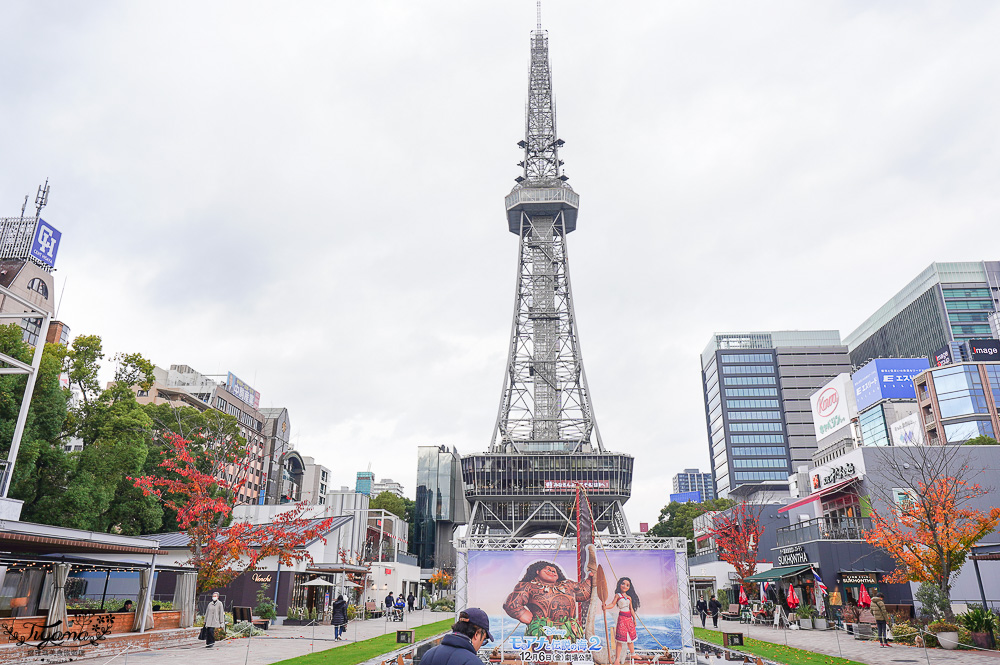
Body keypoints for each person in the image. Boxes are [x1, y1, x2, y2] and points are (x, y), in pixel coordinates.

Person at [503, 559, 595, 640]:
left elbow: (584, 593)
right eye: (548, 570)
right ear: (537, 571)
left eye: (555, 571)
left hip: (570, 630)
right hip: (542, 631)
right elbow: (511, 604)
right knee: (544, 657)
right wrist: (521, 614)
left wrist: (590, 579)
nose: (552, 572)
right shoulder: (528, 586)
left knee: (572, 657)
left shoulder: (568, 585)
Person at [421, 608, 493, 665]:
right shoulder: (473, 662)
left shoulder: (429, 655)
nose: (480, 646)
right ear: (476, 634)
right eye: (483, 640)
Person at [603, 577, 640, 665]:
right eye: (623, 584)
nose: (625, 586)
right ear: (620, 584)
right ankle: (617, 659)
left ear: (629, 587)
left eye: (627, 585)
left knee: (630, 638)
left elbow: (631, 609)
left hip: (629, 619)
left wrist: (634, 619)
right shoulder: (618, 595)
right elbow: (612, 604)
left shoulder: (629, 597)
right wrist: (605, 607)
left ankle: (633, 654)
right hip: (622, 618)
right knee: (620, 640)